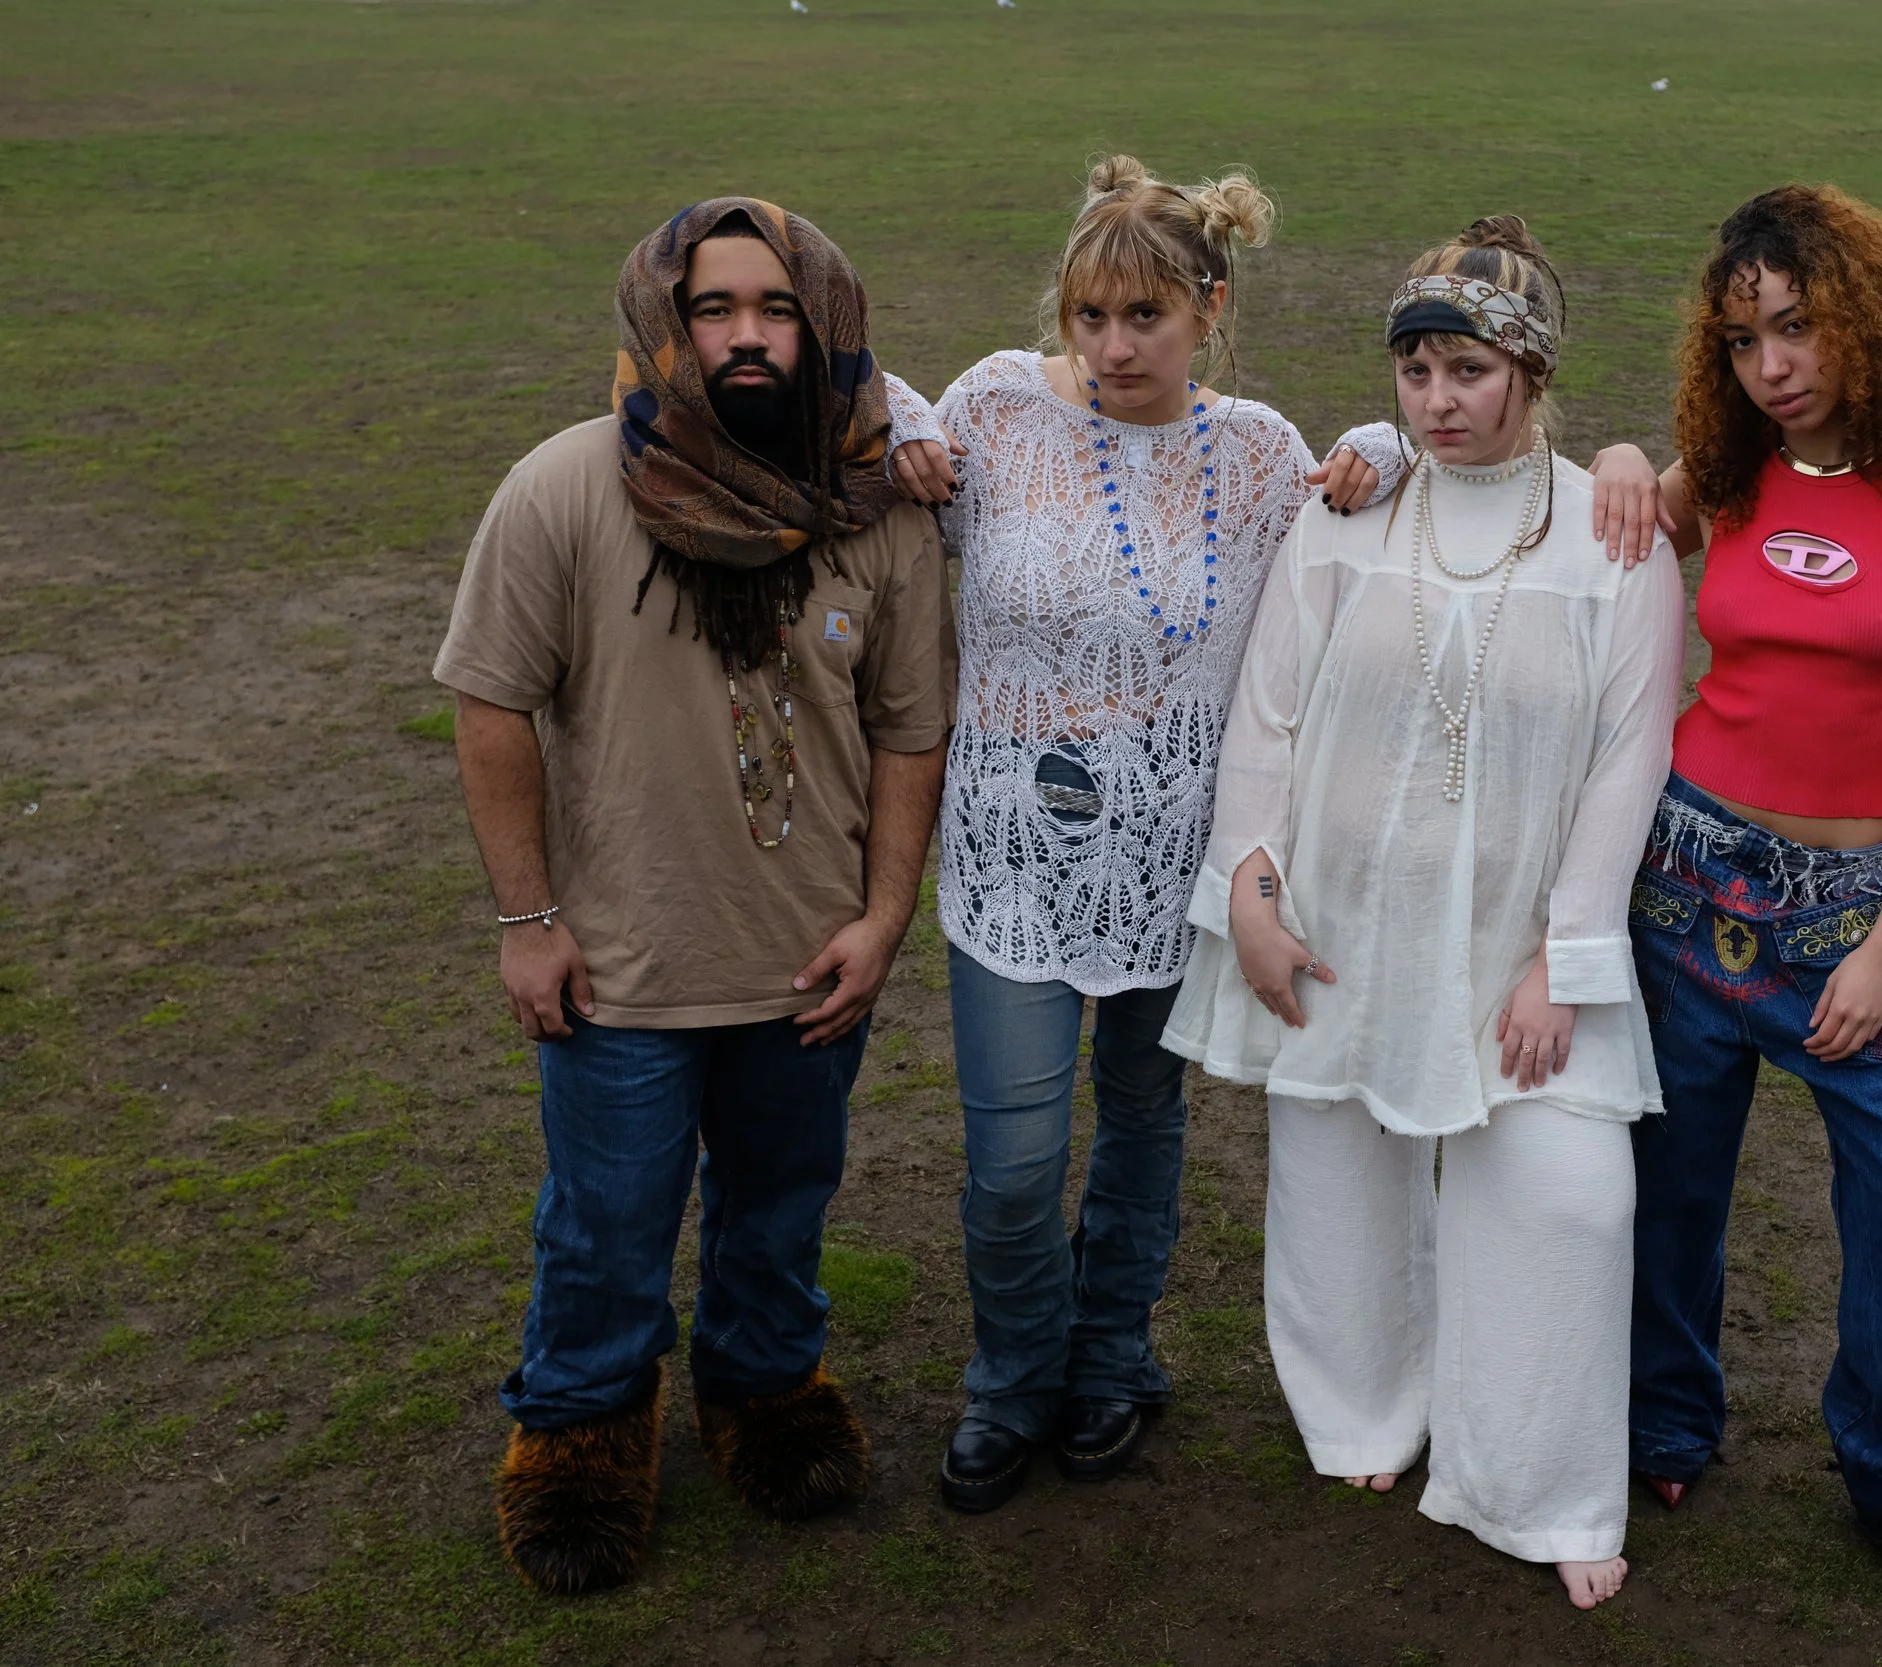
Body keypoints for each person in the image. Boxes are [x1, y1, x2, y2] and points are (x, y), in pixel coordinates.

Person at [434, 198, 959, 1594]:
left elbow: (913, 727)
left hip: (809, 956)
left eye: (774, 309)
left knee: (783, 1203)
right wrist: (527, 918)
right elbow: (490, 703)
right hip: (620, 964)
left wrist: (887, 909)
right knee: (606, 1221)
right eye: (714, 309)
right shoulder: (563, 486)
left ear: (821, 323)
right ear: (668, 323)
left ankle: (764, 1389)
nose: (742, 336)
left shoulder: (876, 507)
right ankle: (580, 1433)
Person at [1162, 217, 1681, 1610]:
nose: (1438, 401)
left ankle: (1546, 1479)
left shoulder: (1610, 535)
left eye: (1468, 370)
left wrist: (1561, 960)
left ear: (1530, 370)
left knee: (1569, 1201)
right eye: (1416, 371)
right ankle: (1363, 1408)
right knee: (1335, 1166)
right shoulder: (1348, 509)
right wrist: (1251, 894)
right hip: (1341, 917)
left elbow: (1632, 762)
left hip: (1518, 942)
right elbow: (1264, 718)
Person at [878, 156, 1407, 1513]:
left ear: (1208, 309)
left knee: (1142, 1125)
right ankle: (1011, 1378)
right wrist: (884, 412)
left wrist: (1389, 449)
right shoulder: (993, 404)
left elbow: (1378, 535)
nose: (1111, 349)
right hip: (1011, 850)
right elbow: (872, 419)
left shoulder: (1256, 453)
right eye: (1089, 317)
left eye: (1144, 319)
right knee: (1011, 1162)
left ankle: (1113, 1355)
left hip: (1176, 861)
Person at [1607, 184, 1882, 1620]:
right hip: (1689, 877)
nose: (1770, 366)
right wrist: (1613, 454)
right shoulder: (1722, 470)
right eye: (1742, 339)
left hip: (1855, 911)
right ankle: (1665, 1419)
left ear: (1868, 317)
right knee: (1667, 1187)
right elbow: (1591, 528)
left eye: (1796, 327)